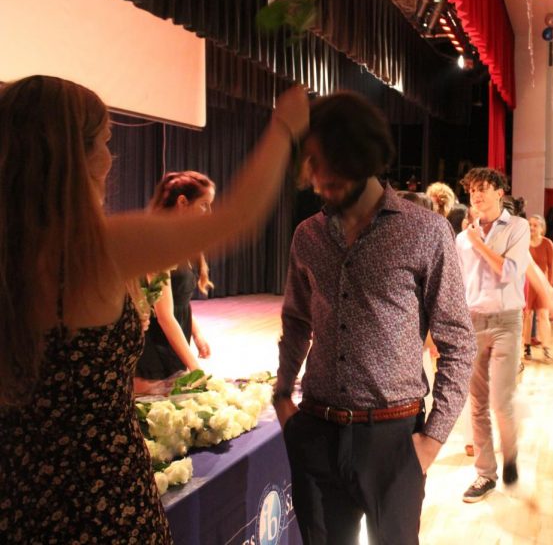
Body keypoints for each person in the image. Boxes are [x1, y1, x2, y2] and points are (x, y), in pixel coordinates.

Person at [0, 75, 309, 543]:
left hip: (18, 494)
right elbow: (237, 217)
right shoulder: (91, 249)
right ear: (68, 155)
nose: (112, 157)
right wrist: (285, 127)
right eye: (104, 141)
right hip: (102, 495)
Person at [273, 92, 476, 544]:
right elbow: (296, 321)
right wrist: (283, 396)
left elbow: (459, 344)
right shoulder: (307, 235)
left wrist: (431, 441)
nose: (309, 175)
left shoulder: (424, 232)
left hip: (394, 440)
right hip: (317, 432)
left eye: (317, 159)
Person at [455, 167, 530, 503]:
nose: (477, 195)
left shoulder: (518, 227)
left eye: (484, 188)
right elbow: (457, 286)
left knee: (501, 401)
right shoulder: (461, 239)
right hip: (472, 323)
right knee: (477, 405)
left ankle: (510, 455)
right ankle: (485, 474)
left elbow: (509, 273)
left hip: (506, 323)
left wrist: (478, 244)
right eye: (472, 190)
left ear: (501, 192)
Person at [135, 171, 216, 388]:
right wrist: (196, 370)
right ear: (182, 202)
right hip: (153, 349)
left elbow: (178, 299)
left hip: (171, 345)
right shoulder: (159, 245)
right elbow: (164, 316)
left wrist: (196, 334)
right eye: (204, 204)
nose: (209, 212)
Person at [524, 214, 553, 359]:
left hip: (542, 284)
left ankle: (546, 346)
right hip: (528, 284)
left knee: (543, 315)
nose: (532, 228)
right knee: (527, 315)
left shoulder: (548, 244)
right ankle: (526, 346)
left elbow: (551, 267)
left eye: (535, 225)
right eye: (530, 225)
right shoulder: (523, 243)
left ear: (542, 228)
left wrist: (550, 286)